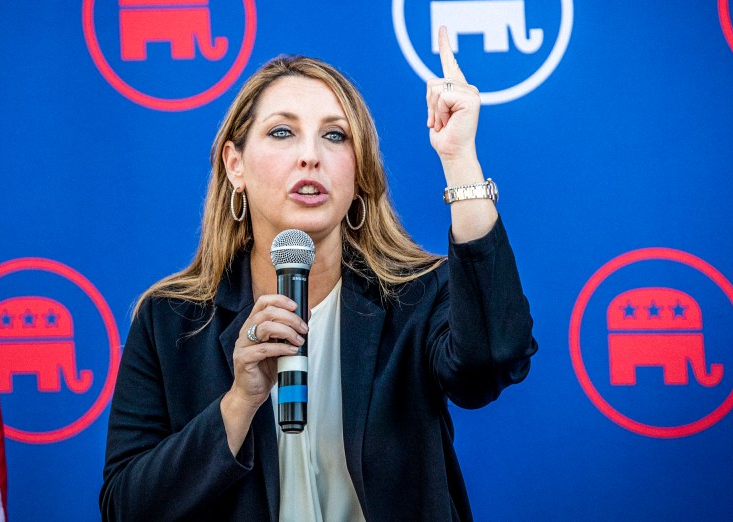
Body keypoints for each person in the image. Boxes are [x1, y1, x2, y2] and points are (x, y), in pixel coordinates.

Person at [100, 26, 538, 521]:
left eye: (334, 135)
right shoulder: (170, 321)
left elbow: (494, 359)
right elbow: (125, 509)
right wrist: (240, 402)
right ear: (235, 165)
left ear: (359, 172)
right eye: (282, 132)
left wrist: (459, 160)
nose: (311, 155)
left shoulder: (416, 297)